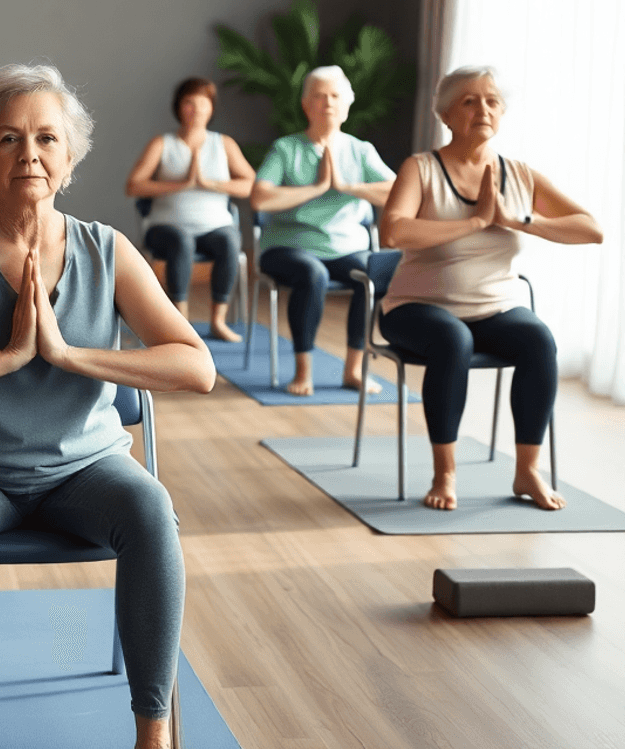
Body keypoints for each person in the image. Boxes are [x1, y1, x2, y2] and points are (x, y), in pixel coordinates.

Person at [0, 63, 215, 749]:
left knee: (151, 508)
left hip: (84, 468)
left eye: (47, 138)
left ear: (71, 157)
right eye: (9, 139)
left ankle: (154, 730)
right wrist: (6, 357)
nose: (29, 154)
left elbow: (195, 365)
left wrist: (67, 355)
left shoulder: (107, 250)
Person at [380, 66, 601, 512]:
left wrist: (520, 220)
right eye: (469, 100)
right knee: (451, 338)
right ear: (445, 114)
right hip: (416, 309)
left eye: (492, 100)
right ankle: (446, 472)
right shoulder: (421, 168)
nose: (483, 108)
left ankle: (526, 471)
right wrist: (476, 221)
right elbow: (394, 232)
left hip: (494, 308)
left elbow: (590, 229)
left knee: (538, 340)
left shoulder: (519, 175)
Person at [250, 66, 395, 395]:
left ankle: (353, 370)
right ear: (306, 105)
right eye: (319, 95)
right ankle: (303, 370)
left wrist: (346, 185)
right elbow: (260, 197)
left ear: (347, 105)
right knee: (312, 274)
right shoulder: (286, 149)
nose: (328, 102)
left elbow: (396, 192)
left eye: (335, 96)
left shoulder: (360, 150)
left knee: (371, 274)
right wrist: (317, 187)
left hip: (346, 247)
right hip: (288, 246)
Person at [125, 77, 254, 341]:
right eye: (189, 103)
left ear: (211, 108)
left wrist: (210, 184)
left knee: (230, 240)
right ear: (179, 107)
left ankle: (218, 320)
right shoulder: (162, 144)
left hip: (214, 227)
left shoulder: (224, 144)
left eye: (202, 104)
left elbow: (250, 185)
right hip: (165, 228)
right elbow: (134, 186)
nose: (195, 110)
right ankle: (180, 321)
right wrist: (181, 184)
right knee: (181, 242)